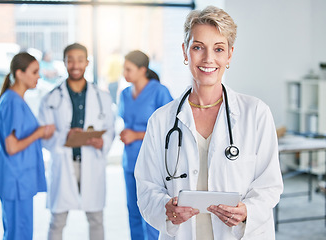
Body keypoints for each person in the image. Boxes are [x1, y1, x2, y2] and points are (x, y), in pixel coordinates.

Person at [134, 6, 283, 240]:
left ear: (230, 55)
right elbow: (146, 187)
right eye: (197, 47)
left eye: (219, 49)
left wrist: (248, 211)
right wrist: (166, 208)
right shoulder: (162, 121)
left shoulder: (256, 113)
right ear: (185, 52)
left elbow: (270, 185)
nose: (208, 59)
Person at [38, 43, 115, 240]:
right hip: (65, 163)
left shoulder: (102, 97)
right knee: (57, 220)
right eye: (70, 60)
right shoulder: (51, 98)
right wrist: (65, 137)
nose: (75, 65)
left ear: (87, 62)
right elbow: (43, 135)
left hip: (91, 161)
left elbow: (110, 130)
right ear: (64, 62)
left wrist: (102, 142)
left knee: (96, 218)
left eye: (80, 60)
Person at [0, 52, 55, 240]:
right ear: (20, 73)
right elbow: (12, 147)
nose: (38, 77)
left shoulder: (15, 100)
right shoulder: (12, 102)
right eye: (34, 72)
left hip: (18, 179)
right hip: (16, 181)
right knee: (19, 234)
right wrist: (39, 132)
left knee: (19, 232)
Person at [118, 50, 173, 240]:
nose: (125, 73)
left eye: (129, 69)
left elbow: (170, 129)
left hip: (152, 162)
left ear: (143, 69)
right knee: (133, 210)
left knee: (152, 213)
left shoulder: (159, 91)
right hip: (130, 161)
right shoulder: (125, 94)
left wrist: (136, 135)